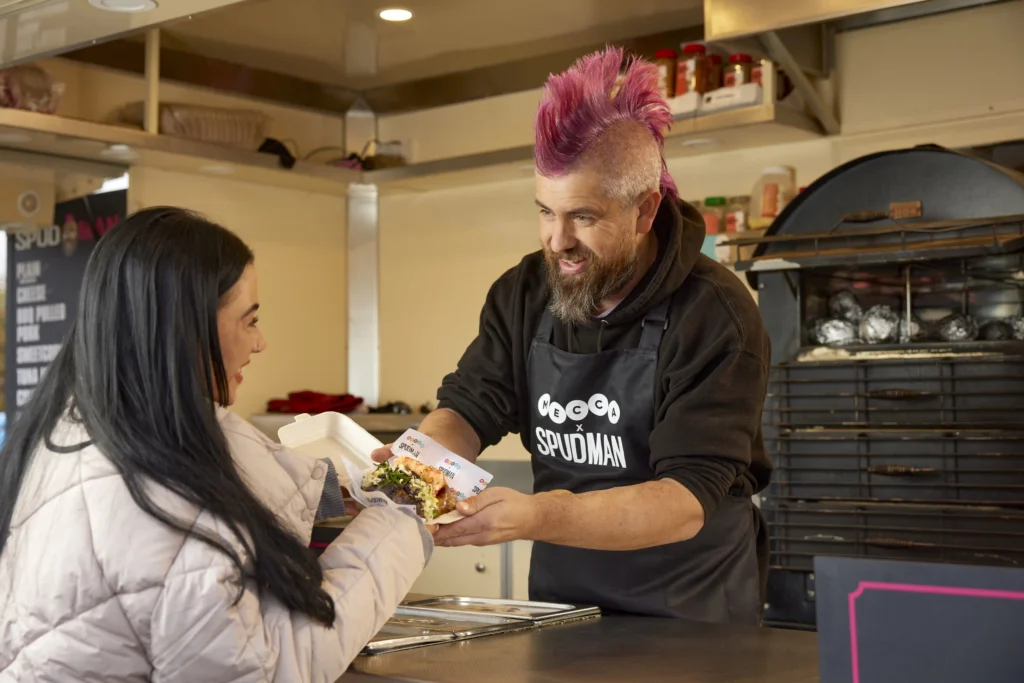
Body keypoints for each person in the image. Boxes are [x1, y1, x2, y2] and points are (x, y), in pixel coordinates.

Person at [372, 47, 771, 624]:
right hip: (564, 607)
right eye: (545, 212)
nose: (557, 242)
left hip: (690, 612)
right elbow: (470, 407)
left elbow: (684, 500)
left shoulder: (716, 315)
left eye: (582, 216)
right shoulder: (525, 291)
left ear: (644, 210)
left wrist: (536, 516)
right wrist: (412, 468)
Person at [0, 207, 431, 681]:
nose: (261, 342)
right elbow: (270, 669)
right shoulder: (165, 505)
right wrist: (405, 518)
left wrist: (333, 491)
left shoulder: (72, 432)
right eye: (249, 320)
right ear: (184, 326)